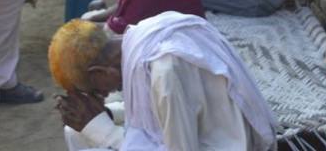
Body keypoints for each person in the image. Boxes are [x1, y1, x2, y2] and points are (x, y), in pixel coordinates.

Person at [54, 12, 277, 150]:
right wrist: (110, 115)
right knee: (74, 131)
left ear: (99, 73)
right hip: (200, 130)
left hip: (223, 144)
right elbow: (160, 109)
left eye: (95, 91)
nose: (102, 96)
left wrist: (103, 130)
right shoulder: (145, 35)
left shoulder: (164, 71)